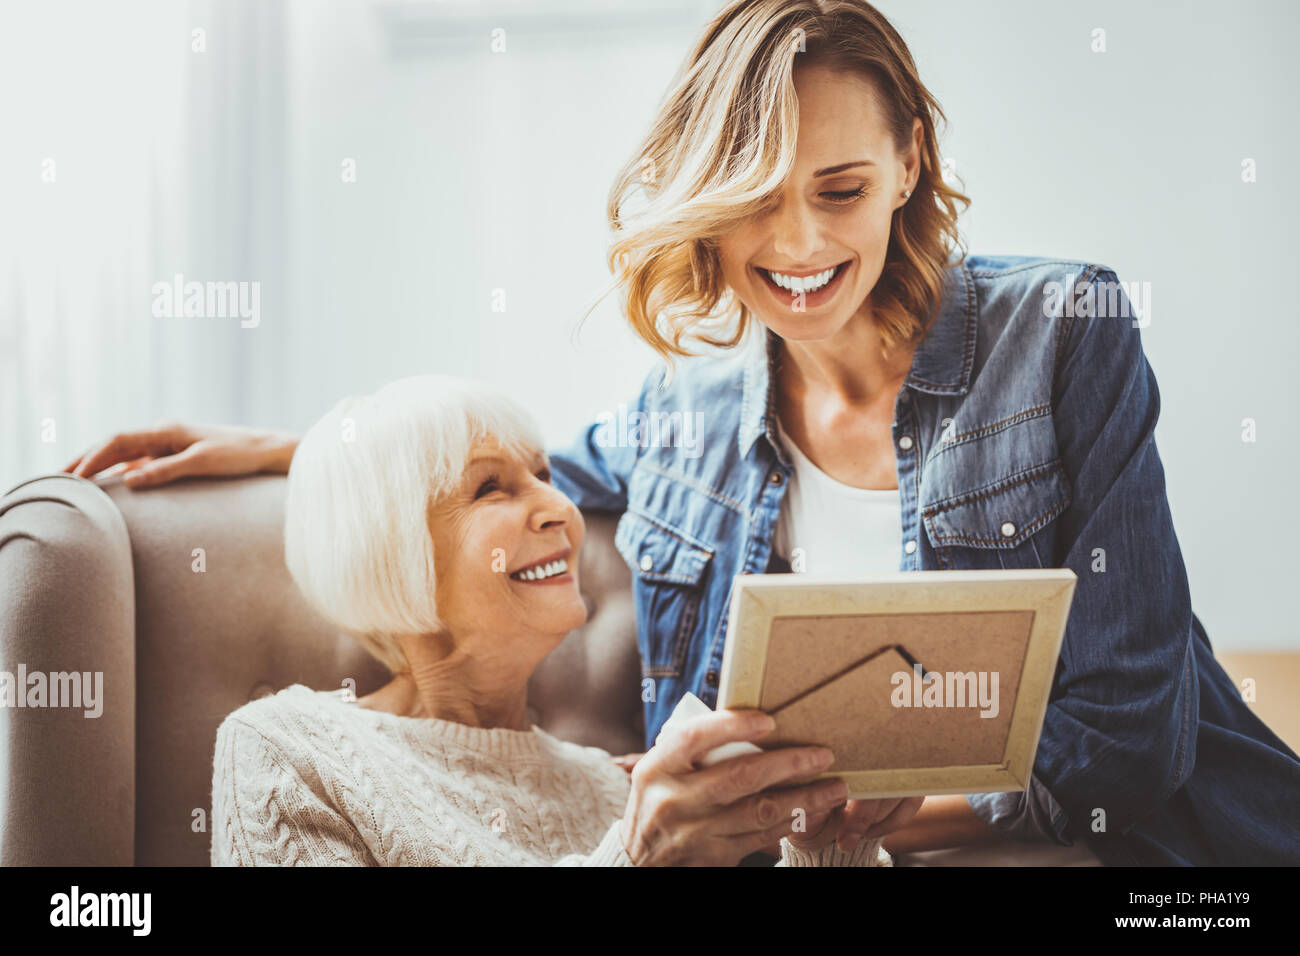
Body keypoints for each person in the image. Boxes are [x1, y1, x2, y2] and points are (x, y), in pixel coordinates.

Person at [68, 0, 1300, 865]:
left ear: (910, 162)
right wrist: (305, 444)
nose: (803, 247)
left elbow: (1130, 742)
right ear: (703, 204)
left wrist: (843, 818)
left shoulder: (1062, 329)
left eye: (841, 190)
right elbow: (514, 472)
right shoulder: (683, 418)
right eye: (757, 197)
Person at [210, 374, 891, 866]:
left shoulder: (612, 786)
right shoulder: (290, 751)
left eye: (543, 474)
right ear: (388, 550)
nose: (558, 510)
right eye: (489, 488)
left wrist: (829, 847)